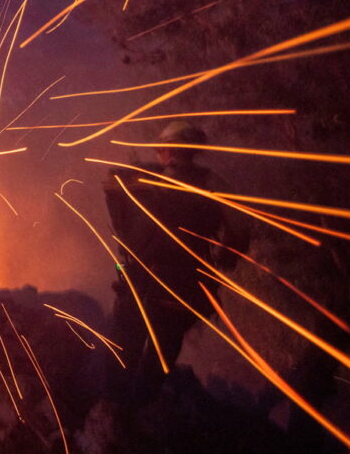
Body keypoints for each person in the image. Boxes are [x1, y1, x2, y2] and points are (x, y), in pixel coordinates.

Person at [103, 120, 250, 404]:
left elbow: (112, 192)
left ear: (170, 150)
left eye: (162, 149)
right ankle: (138, 408)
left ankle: (115, 411)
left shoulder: (142, 178)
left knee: (126, 345)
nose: (159, 154)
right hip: (182, 285)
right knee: (163, 352)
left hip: (141, 279)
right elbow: (240, 229)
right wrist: (225, 258)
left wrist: (126, 241)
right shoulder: (211, 184)